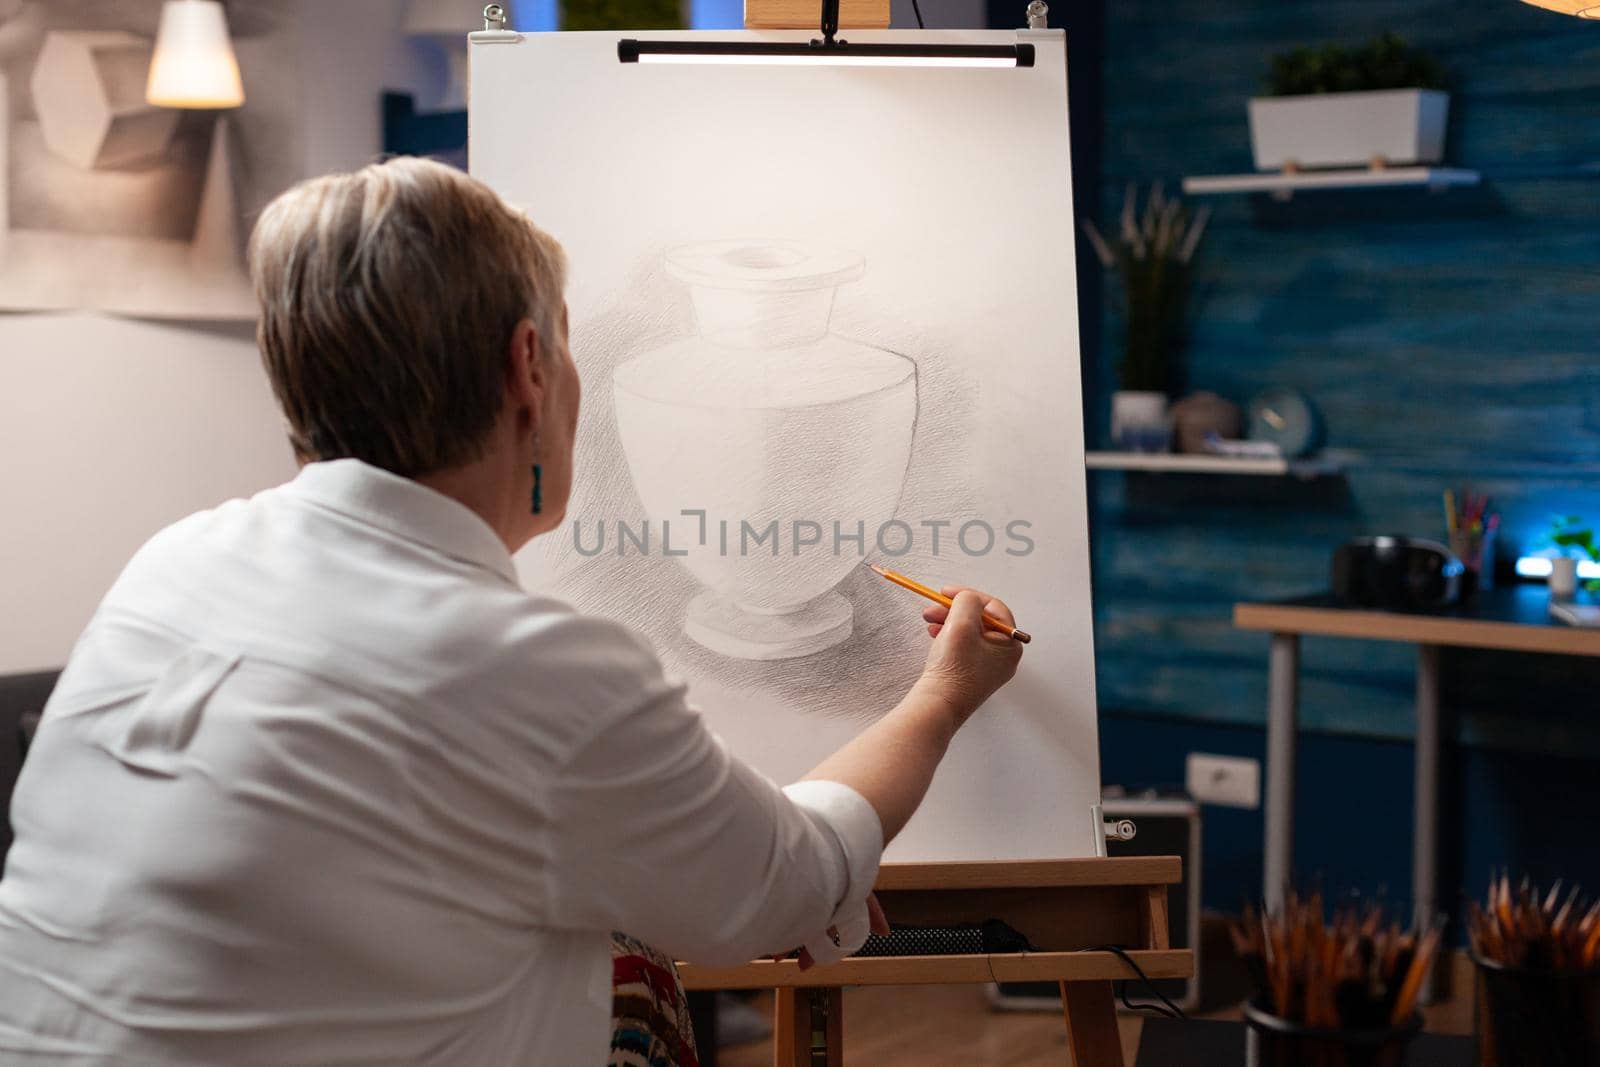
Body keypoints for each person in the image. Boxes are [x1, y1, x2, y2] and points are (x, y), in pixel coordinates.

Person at [0, 158, 1023, 1066]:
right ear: (530, 368)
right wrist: (942, 694)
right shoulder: (527, 667)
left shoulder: (171, 565)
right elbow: (785, 882)